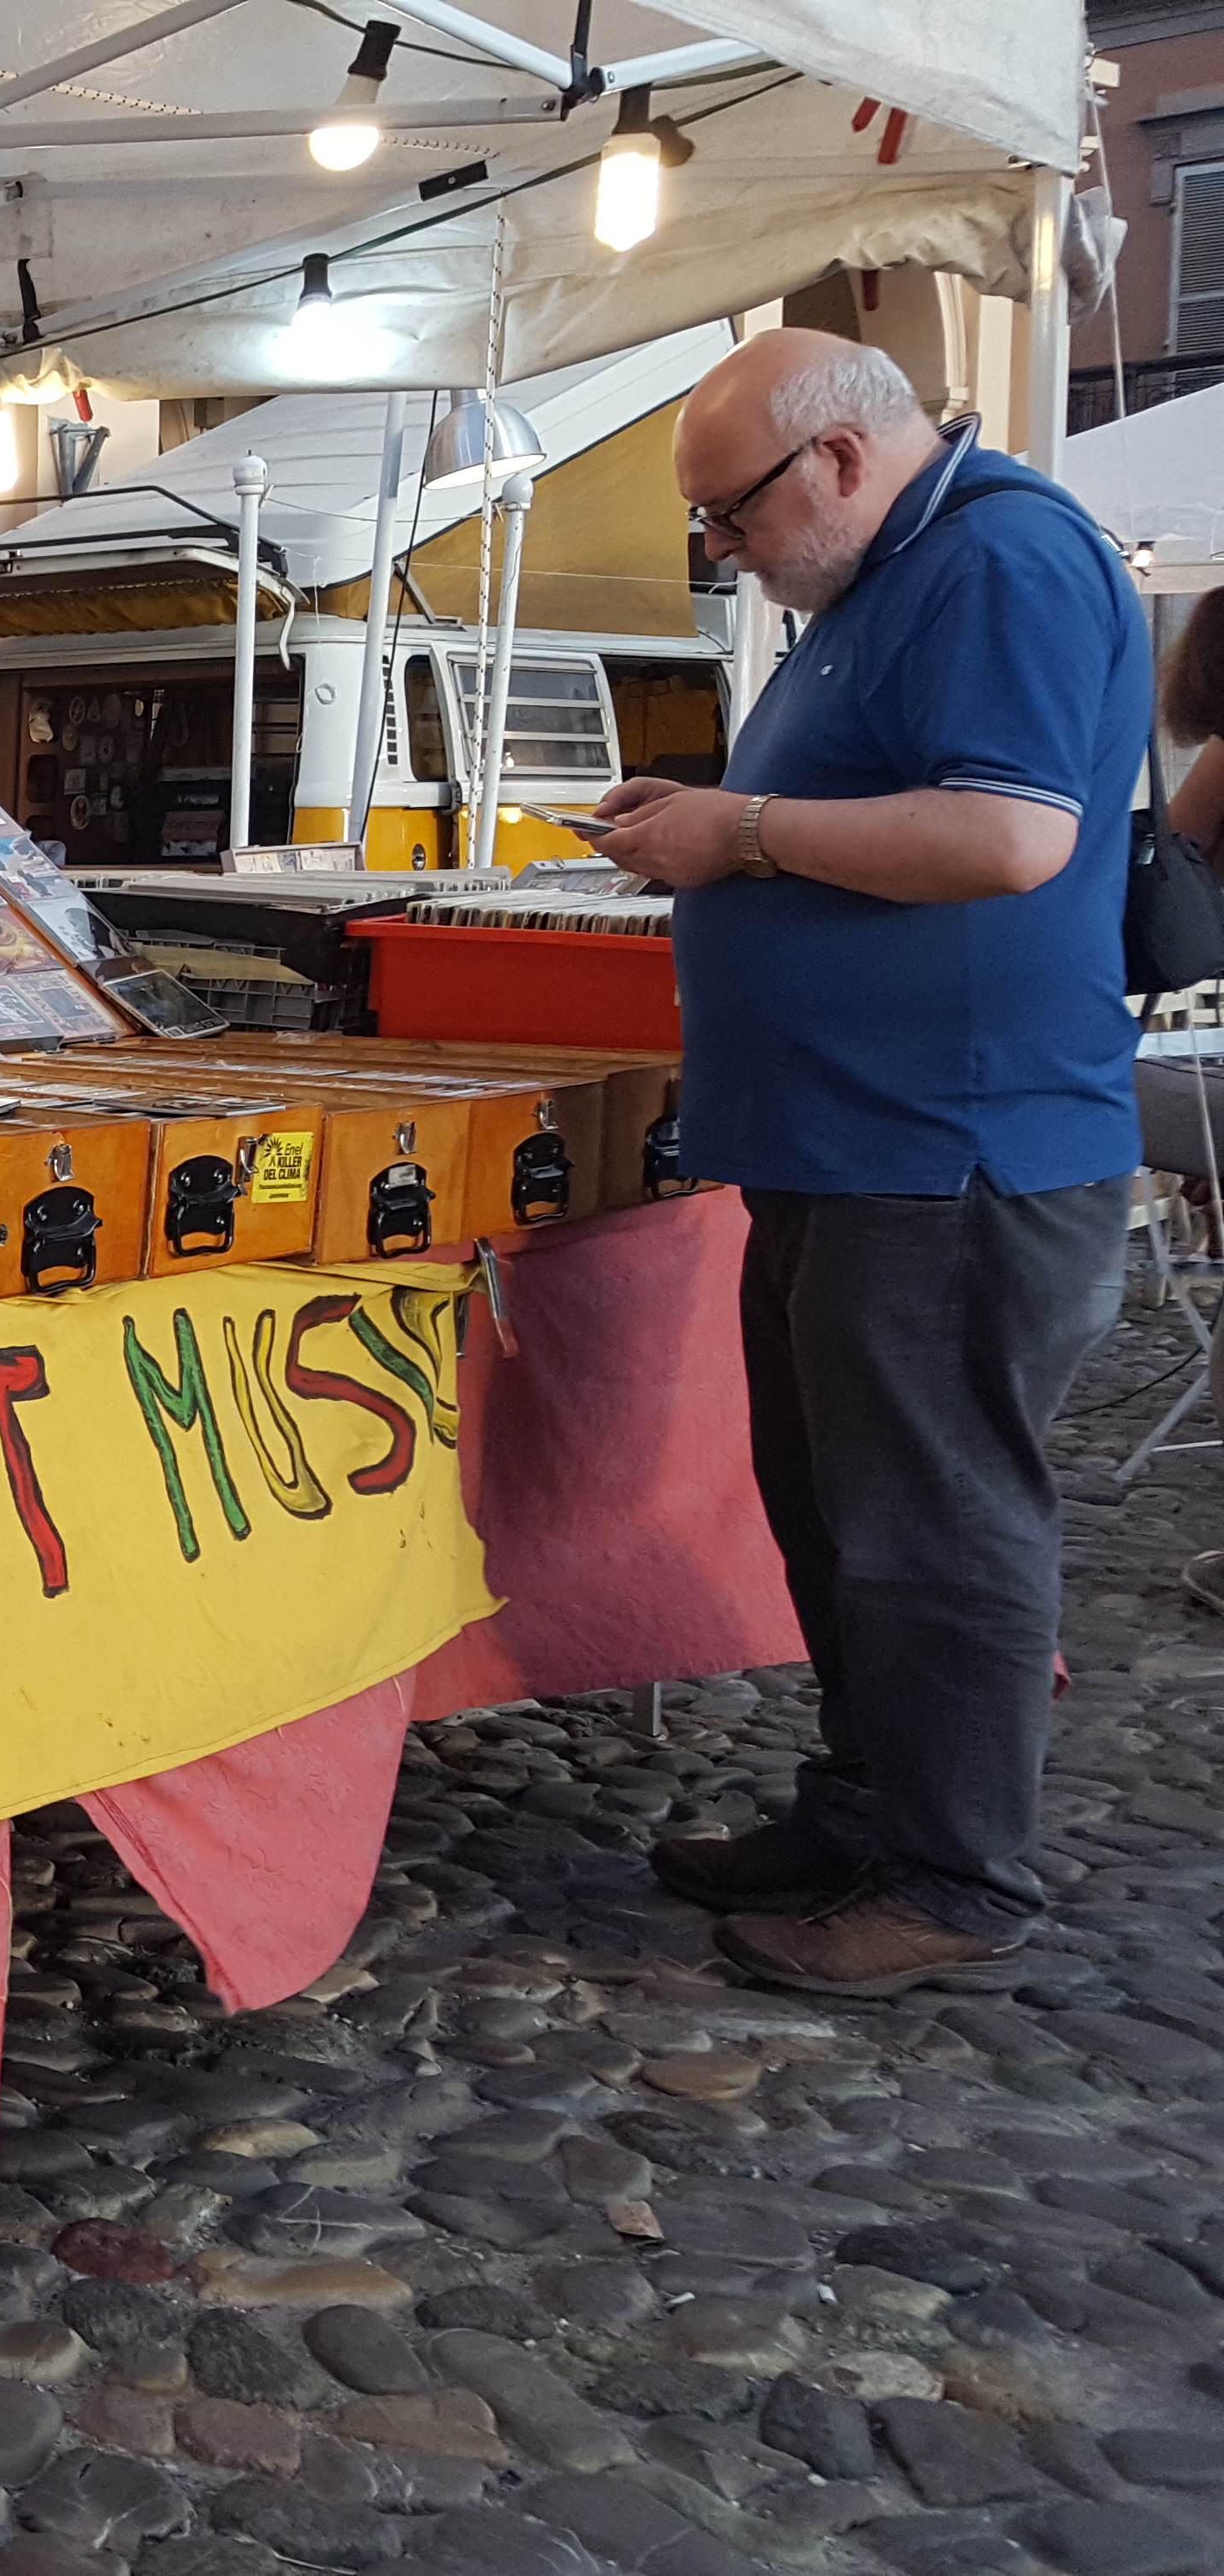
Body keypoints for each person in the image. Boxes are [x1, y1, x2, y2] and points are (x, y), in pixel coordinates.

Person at [588, 329, 1146, 1998]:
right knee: (840, 1513)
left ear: (836, 459)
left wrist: (740, 831)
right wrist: (713, 823)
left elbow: (1007, 834)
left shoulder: (998, 555)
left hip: (947, 1146)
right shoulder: (878, 574)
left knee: (930, 1524)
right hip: (848, 1141)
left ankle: (952, 1877)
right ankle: (868, 1813)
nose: (720, 549)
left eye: (730, 513)